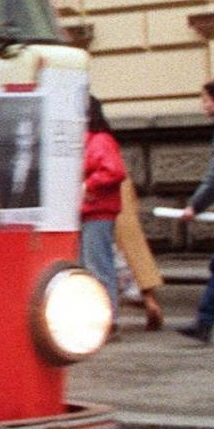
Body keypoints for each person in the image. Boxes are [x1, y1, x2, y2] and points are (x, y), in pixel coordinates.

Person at [178, 77, 214, 342]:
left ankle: (205, 322)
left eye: (205, 100)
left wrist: (195, 205)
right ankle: (204, 322)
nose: (203, 106)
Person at [80, 98, 126, 325]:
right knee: (95, 266)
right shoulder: (97, 140)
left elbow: (114, 171)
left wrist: (89, 185)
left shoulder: (99, 140)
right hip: (94, 210)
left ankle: (108, 319)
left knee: (98, 267)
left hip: (96, 210)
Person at [113, 177, 165, 331]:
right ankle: (150, 302)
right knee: (136, 260)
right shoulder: (120, 168)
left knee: (110, 263)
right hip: (125, 215)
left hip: (105, 211)